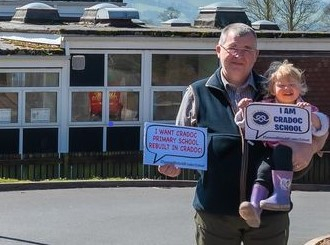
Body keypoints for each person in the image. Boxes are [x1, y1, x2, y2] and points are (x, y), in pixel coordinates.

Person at [159, 22, 296, 245]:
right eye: (233, 48)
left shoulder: (276, 93)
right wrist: (172, 164)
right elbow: (179, 144)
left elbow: (297, 141)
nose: (239, 55)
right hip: (215, 215)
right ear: (218, 50)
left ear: (256, 55)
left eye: (247, 49)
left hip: (268, 215)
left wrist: (305, 155)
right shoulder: (197, 92)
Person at [235, 60, 329, 228]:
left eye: (292, 84)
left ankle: (282, 195)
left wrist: (310, 116)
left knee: (282, 150)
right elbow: (249, 125)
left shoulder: (305, 108)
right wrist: (245, 110)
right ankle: (255, 207)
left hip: (293, 154)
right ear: (273, 89)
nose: (287, 89)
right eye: (281, 85)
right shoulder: (266, 106)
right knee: (262, 169)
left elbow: (321, 127)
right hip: (271, 153)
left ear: (300, 88)